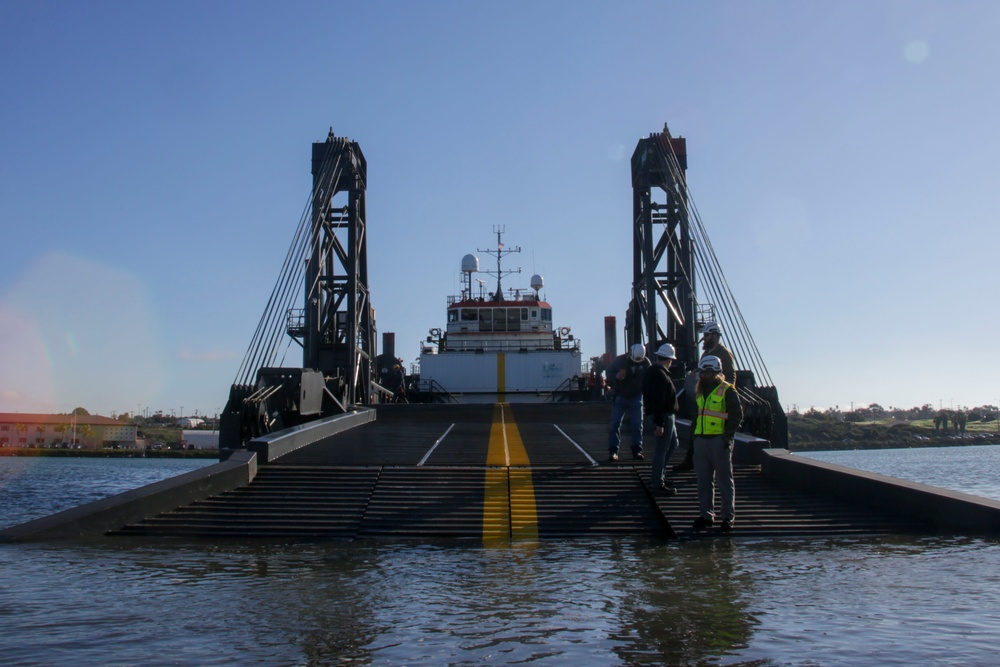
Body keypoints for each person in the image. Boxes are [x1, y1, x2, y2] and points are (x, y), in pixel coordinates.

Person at [674, 321, 737, 472]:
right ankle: (691, 461)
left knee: (714, 434)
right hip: (703, 400)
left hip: (716, 401)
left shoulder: (724, 354)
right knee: (695, 429)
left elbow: (731, 376)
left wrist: (726, 395)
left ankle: (708, 463)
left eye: (707, 335)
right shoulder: (706, 354)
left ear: (715, 335)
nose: (705, 338)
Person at [689, 355, 743, 532]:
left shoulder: (727, 390)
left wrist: (726, 438)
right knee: (704, 481)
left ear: (712, 372)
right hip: (702, 441)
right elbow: (698, 416)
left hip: (718, 441)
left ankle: (728, 517)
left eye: (704, 372)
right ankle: (706, 515)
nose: (701, 375)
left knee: (724, 480)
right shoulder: (700, 391)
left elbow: (736, 416)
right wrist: (694, 439)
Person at [642, 343, 680, 494]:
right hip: (664, 416)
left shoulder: (653, 372)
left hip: (665, 415)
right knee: (661, 449)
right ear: (669, 359)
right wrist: (659, 423)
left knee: (672, 444)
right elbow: (658, 400)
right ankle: (657, 482)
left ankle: (659, 476)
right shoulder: (660, 374)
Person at [607, 343, 650, 462]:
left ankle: (637, 450)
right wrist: (616, 376)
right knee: (615, 423)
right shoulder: (619, 360)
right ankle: (613, 450)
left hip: (636, 396)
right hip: (620, 395)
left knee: (637, 424)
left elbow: (650, 380)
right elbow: (608, 373)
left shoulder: (646, 363)